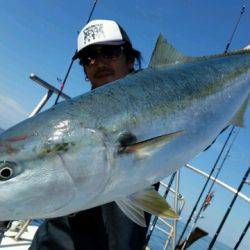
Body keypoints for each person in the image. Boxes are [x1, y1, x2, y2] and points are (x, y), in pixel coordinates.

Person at [30, 19, 153, 250]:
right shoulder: (62, 120)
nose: (99, 63)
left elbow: (201, 125)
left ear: (130, 59)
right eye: (89, 58)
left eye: (110, 52)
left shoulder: (161, 105)